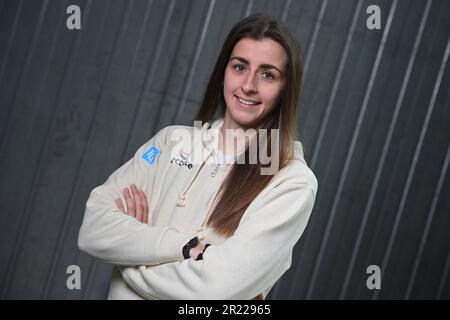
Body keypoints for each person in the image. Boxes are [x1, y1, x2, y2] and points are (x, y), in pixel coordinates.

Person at [78, 13, 318, 300]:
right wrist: (182, 247)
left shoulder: (290, 182)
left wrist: (127, 254)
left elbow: (216, 289)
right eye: (240, 67)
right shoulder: (169, 144)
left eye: (268, 74)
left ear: (285, 89)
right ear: (223, 71)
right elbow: (93, 228)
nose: (249, 85)